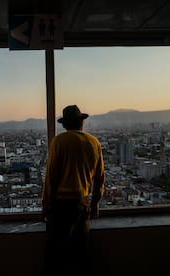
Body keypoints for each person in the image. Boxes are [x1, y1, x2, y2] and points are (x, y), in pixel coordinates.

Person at [41, 104, 105, 276]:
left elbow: (51, 177)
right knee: (81, 255)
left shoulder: (59, 141)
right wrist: (95, 204)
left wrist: (45, 205)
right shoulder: (94, 143)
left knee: (55, 258)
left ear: (64, 125)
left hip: (61, 205)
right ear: (81, 122)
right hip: (82, 204)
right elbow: (100, 179)